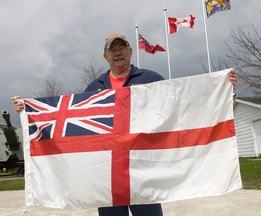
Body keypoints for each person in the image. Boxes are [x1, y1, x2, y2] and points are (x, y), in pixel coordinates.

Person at [13, 33, 238, 216]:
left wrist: (222, 88)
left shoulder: (151, 79)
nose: (117, 52)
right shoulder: (94, 87)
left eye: (122, 48)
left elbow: (179, 105)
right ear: (105, 56)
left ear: (130, 52)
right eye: (112, 49)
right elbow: (72, 122)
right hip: (106, 174)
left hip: (143, 170)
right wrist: (29, 111)